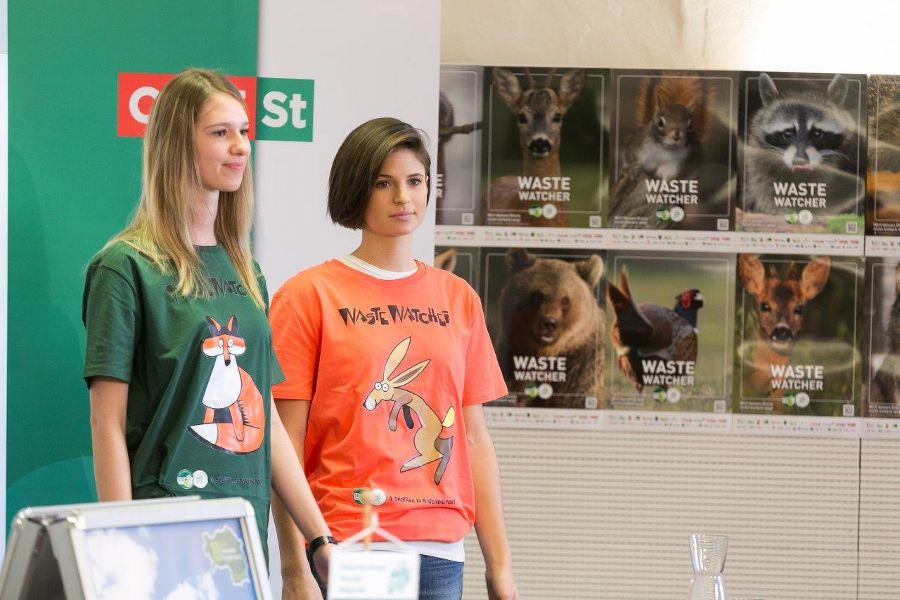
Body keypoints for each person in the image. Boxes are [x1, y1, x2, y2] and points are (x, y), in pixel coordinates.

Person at [83, 68, 332, 596]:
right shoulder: (125, 267)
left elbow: (265, 420)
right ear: (178, 143)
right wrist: (121, 546)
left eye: (244, 131)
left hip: (241, 534)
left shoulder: (247, 273)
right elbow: (107, 423)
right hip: (164, 530)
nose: (241, 146)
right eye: (221, 133)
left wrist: (318, 539)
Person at [270, 117, 519, 600]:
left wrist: (500, 566)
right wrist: (294, 568)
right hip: (349, 542)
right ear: (355, 190)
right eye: (384, 183)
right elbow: (284, 444)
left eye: (415, 181)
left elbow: (473, 439)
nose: (402, 197)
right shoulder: (308, 295)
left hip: (442, 549)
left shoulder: (458, 298)